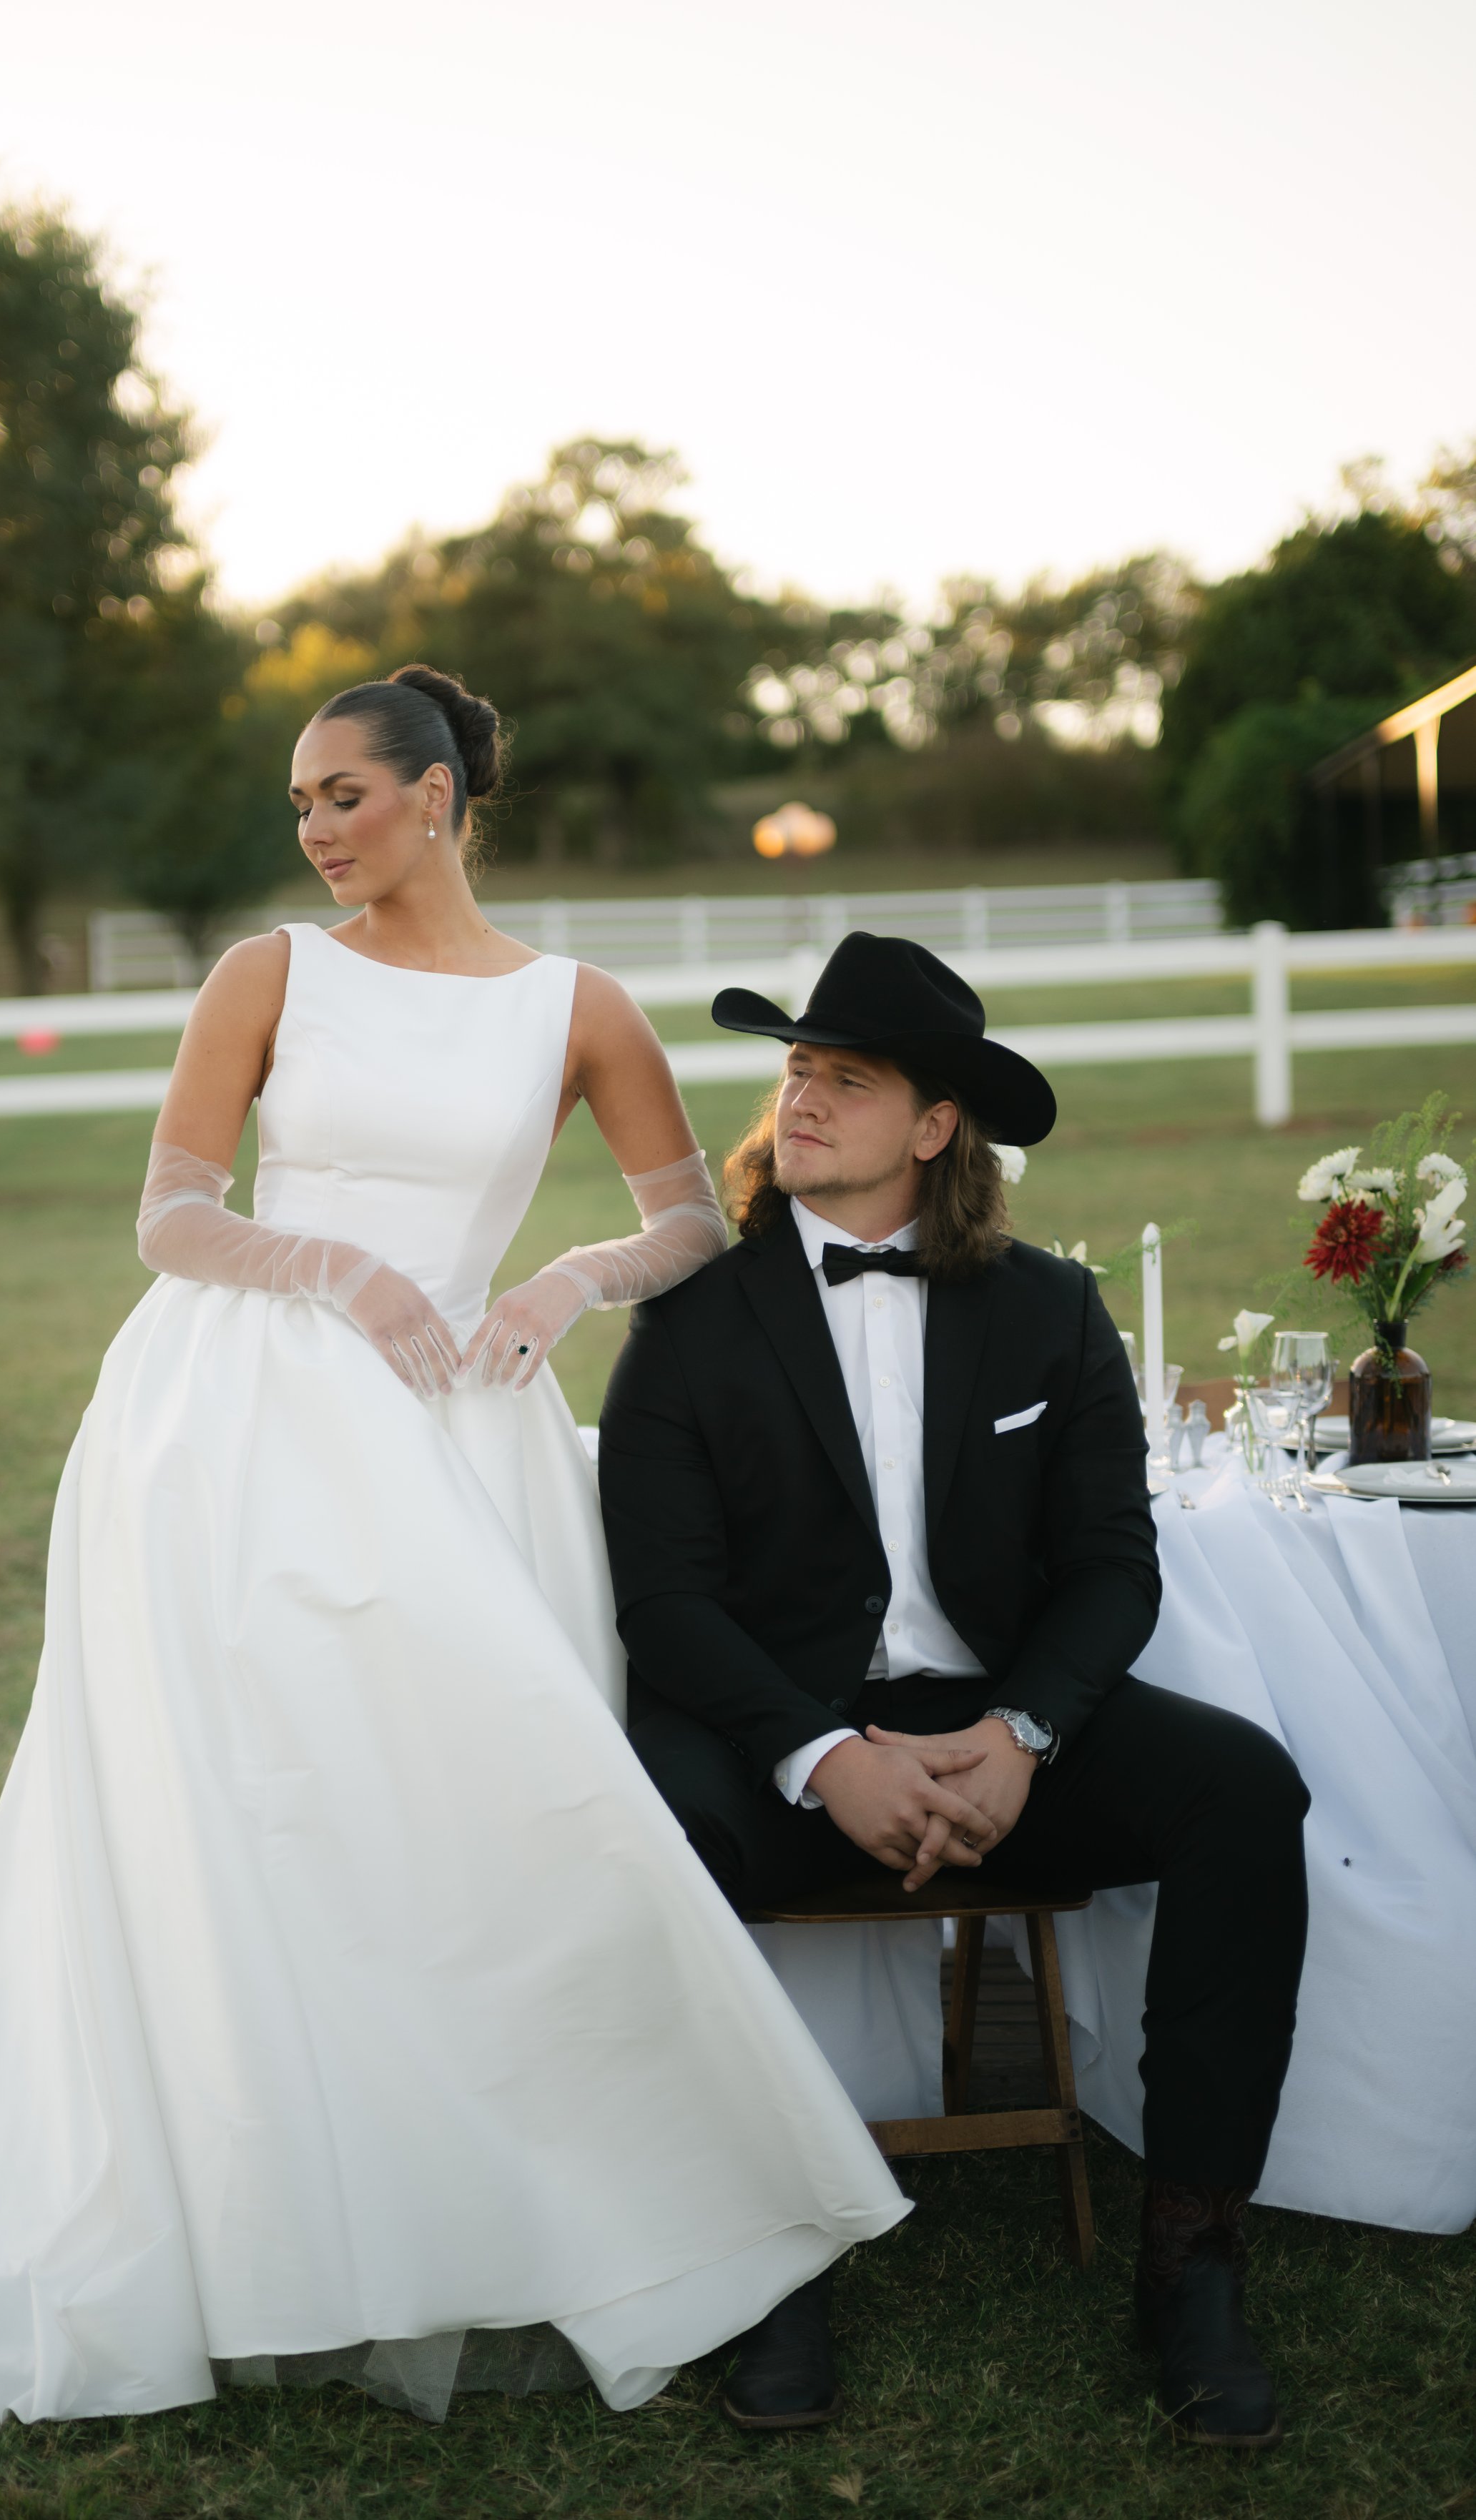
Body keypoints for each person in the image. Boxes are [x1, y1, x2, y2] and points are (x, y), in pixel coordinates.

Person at [0, 668, 910, 2428]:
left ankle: (517, 2177)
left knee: (478, 1806)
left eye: (343, 794)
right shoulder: (265, 973)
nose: (318, 829)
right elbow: (170, 1211)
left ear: (437, 797)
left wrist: (559, 1284)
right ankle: (246, 2197)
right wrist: (323, 1264)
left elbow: (688, 1224)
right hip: (233, 1426)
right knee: (255, 1799)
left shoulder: (574, 1008)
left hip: (459, 1428)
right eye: (299, 805)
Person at [596, 933, 1311, 2446]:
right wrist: (818, 1756)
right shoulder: (687, 1323)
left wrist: (1022, 1735)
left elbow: (1112, 1563)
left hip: (997, 1729)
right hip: (777, 1749)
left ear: (933, 1127)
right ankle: (763, 2261)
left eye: (843, 1080)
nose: (800, 1101)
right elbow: (662, 1605)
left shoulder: (1047, 1310)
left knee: (1241, 1792)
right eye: (793, 1070)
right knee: (651, 1824)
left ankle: (1189, 2262)